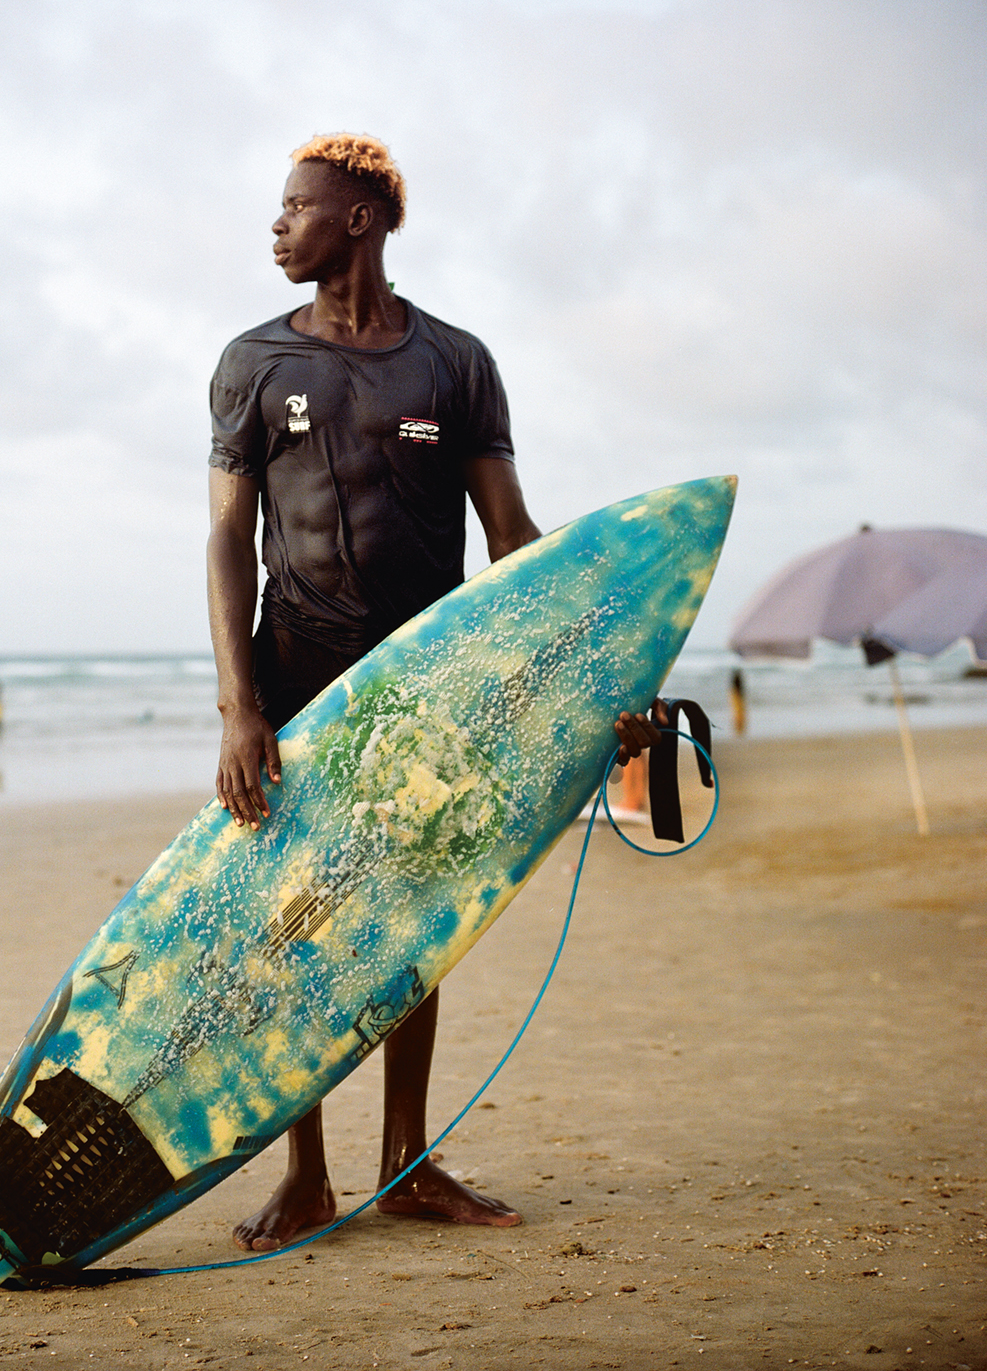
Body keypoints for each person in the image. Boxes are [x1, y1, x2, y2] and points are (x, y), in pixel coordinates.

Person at [207, 133, 662, 1254]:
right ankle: (303, 1175)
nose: (276, 225)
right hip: (294, 683)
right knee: (295, 928)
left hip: (426, 691)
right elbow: (224, 537)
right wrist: (236, 706)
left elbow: (510, 540)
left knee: (409, 921)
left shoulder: (454, 362)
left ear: (356, 220)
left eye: (295, 207)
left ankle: (404, 1163)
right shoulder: (252, 361)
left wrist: (603, 673)